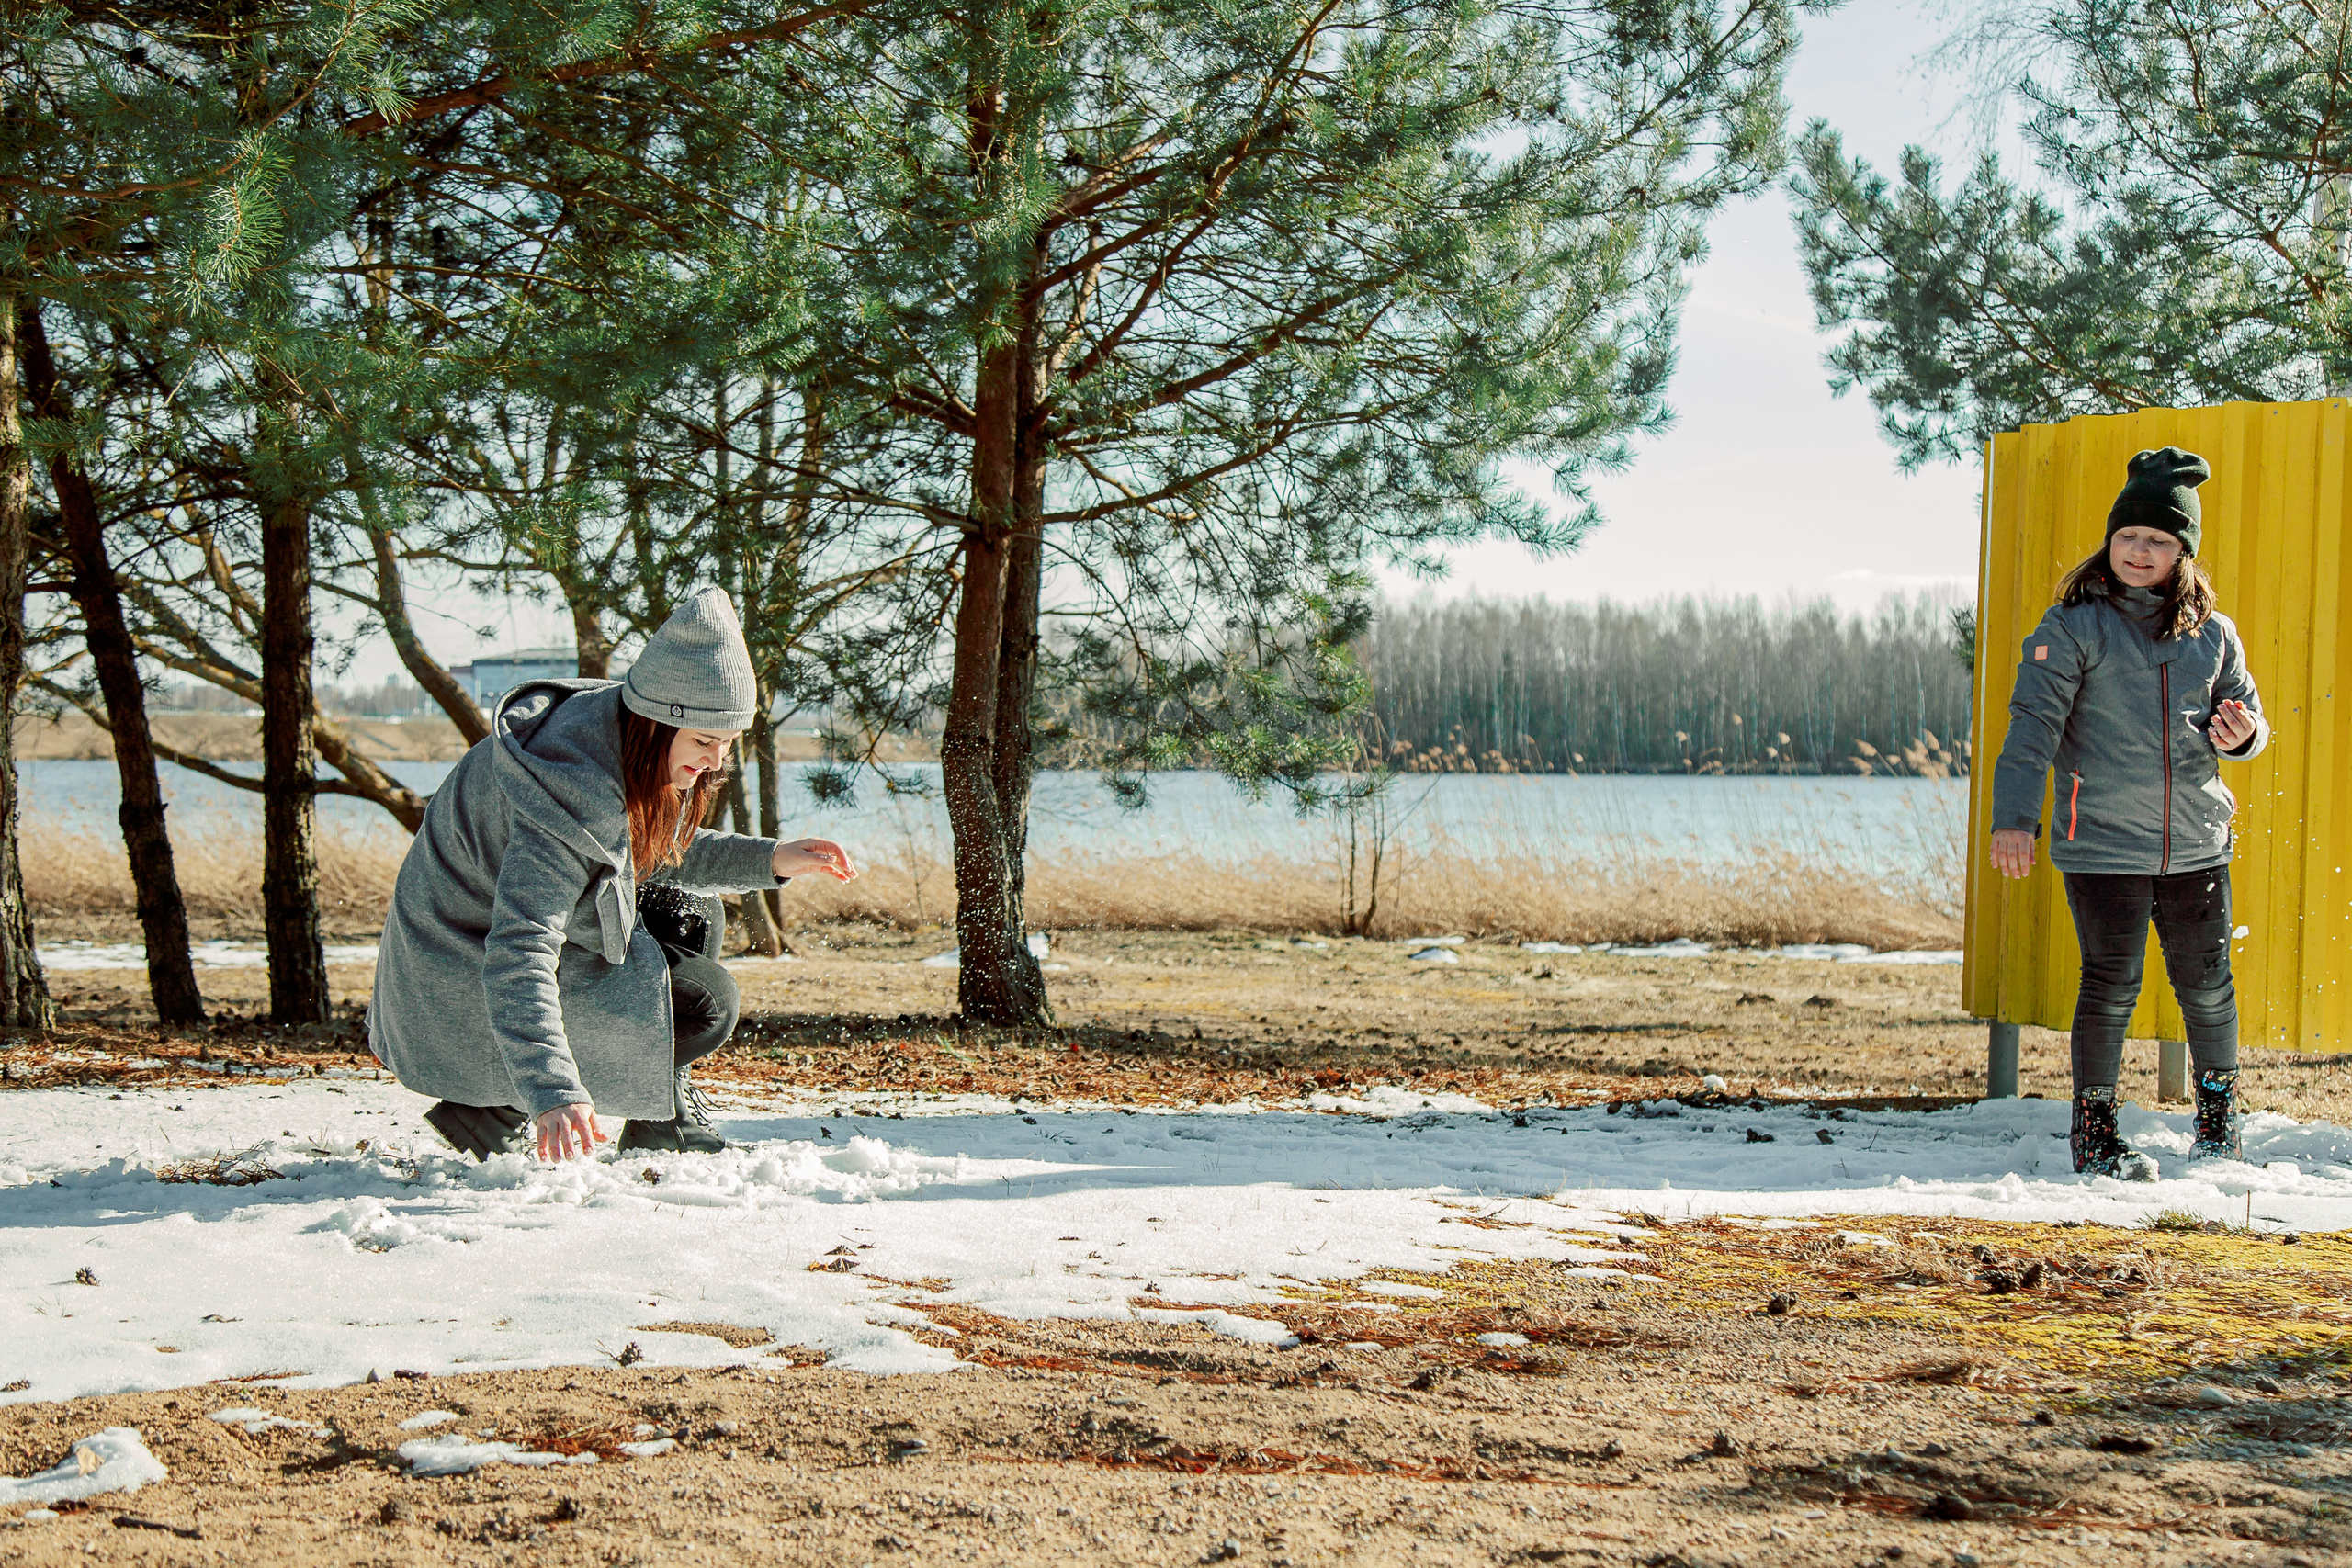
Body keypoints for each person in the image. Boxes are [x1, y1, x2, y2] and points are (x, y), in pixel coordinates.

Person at [368, 588, 859, 1161]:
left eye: (726, 744)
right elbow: (520, 949)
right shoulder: (569, 792)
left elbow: (653, 848)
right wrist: (551, 1089)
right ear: (655, 723)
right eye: (704, 741)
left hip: (455, 958)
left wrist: (773, 858)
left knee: (692, 914)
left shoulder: (603, 728)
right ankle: (496, 1105)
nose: (715, 763)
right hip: (452, 984)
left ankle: (618, 1118)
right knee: (705, 1000)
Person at [1988, 446, 2268, 1179]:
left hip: (2197, 841)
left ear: (2184, 553)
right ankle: (2096, 1130)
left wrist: (2244, 736)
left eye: (2159, 540)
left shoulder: (2215, 633)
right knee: (2111, 982)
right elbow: (2031, 728)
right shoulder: (2074, 624)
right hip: (2103, 839)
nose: (2140, 551)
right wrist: (2015, 817)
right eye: (2128, 538)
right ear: (2109, 543)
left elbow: (2247, 722)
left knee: (2208, 984)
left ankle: (2217, 1121)